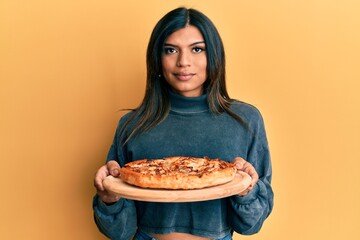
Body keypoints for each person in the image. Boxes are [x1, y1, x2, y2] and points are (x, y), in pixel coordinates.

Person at [93, 7, 273, 240]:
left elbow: (251, 225)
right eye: (170, 50)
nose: (183, 62)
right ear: (157, 59)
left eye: (197, 49)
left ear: (214, 56)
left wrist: (248, 189)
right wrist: (108, 197)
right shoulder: (132, 124)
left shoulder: (245, 120)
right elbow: (119, 232)